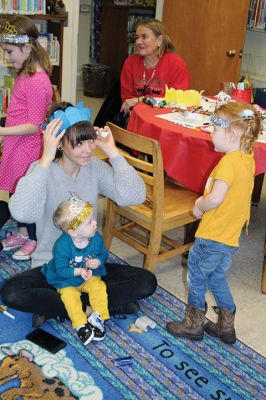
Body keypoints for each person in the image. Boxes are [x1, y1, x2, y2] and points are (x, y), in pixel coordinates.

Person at [0, 102, 157, 328]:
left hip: (89, 267)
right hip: (52, 267)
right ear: (60, 144)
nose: (88, 149)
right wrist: (46, 157)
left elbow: (133, 196)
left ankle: (63, 306)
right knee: (12, 292)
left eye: (89, 140)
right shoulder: (41, 169)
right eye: (78, 143)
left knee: (146, 282)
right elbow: (22, 212)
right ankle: (95, 305)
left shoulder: (94, 167)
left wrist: (113, 151)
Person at [166, 102, 262, 344]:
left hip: (212, 235)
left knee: (196, 277)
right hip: (230, 236)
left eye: (214, 129)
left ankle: (193, 324)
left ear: (231, 134)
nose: (210, 133)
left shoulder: (228, 163)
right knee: (216, 277)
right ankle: (226, 326)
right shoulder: (246, 158)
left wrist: (199, 205)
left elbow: (216, 198)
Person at [0, 16, 53, 260]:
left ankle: (33, 238)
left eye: (10, 51)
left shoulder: (37, 81)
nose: (7, 57)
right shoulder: (24, 73)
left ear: (27, 48)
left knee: (26, 194)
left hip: (28, 147)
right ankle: (22, 232)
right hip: (16, 144)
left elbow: (33, 125)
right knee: (15, 189)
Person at [42, 193, 109, 345]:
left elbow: (103, 254)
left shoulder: (96, 237)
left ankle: (100, 318)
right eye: (89, 222)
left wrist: (98, 262)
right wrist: (78, 271)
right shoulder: (62, 245)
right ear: (73, 231)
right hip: (67, 279)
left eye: (93, 219)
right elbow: (60, 270)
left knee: (98, 287)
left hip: (89, 276)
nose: (95, 223)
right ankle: (80, 324)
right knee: (69, 296)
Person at [120, 18, 190, 115]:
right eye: (137, 37)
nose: (138, 42)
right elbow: (127, 101)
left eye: (144, 37)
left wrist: (140, 100)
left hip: (166, 118)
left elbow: (176, 101)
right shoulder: (130, 63)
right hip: (136, 116)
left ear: (159, 40)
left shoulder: (177, 65)